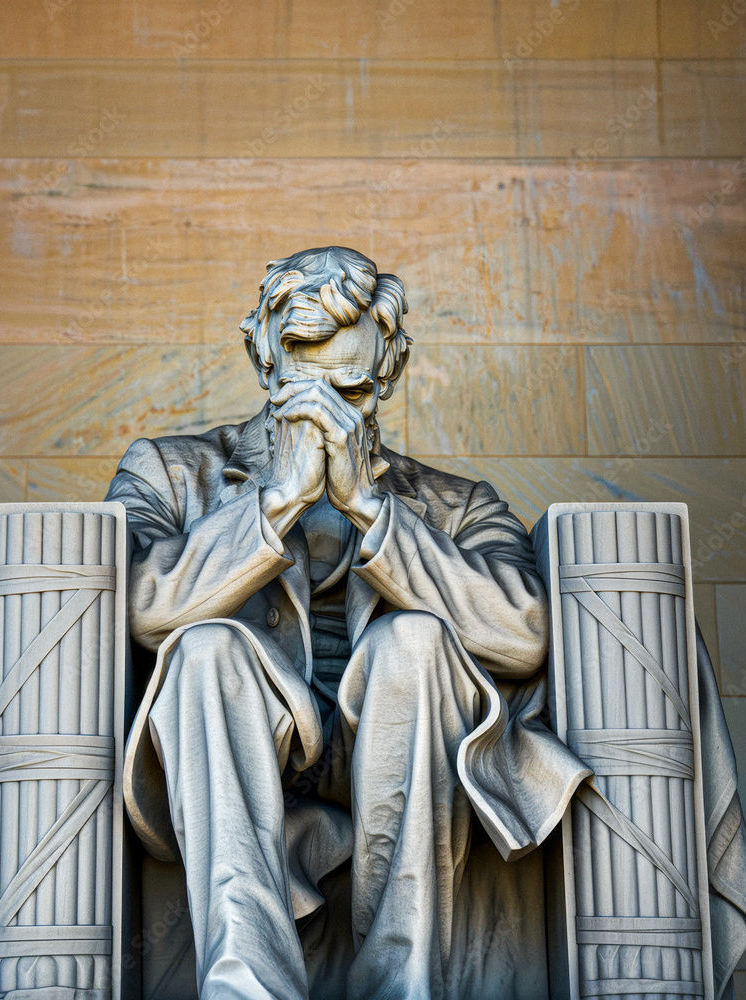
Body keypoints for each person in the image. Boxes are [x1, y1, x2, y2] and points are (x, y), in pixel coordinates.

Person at [107, 247, 591, 1000]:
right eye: (305, 382)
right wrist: (274, 503)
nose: (327, 414)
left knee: (415, 641)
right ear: (261, 353)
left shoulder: (452, 504)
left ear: (389, 369)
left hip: (405, 738)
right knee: (204, 648)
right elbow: (136, 607)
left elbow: (524, 632)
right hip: (238, 733)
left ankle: (402, 983)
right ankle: (245, 986)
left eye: (352, 388)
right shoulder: (170, 473)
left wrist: (376, 511)